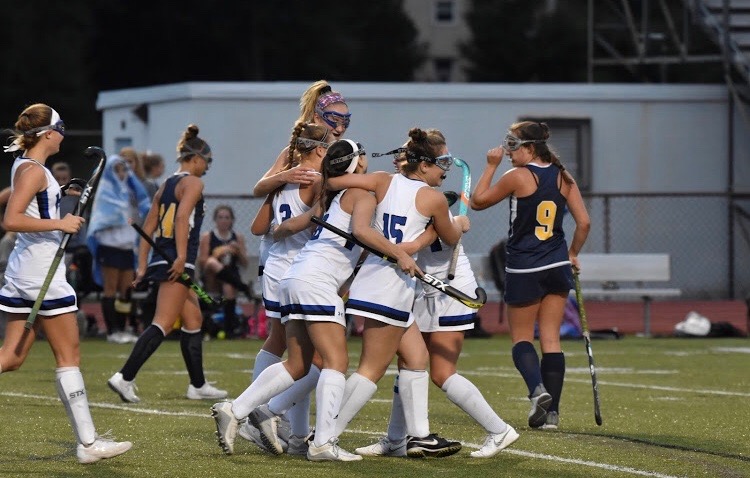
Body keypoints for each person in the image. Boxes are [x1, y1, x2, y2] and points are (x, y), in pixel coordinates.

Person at [212, 140, 417, 461]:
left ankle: (236, 409)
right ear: (354, 164)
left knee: (300, 363)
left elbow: (281, 229)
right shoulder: (360, 195)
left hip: (298, 277)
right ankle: (322, 443)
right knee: (335, 362)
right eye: (361, 156)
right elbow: (363, 232)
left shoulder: (328, 197)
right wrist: (399, 253)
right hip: (317, 281)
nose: (366, 160)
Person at [354, 146, 519, 459]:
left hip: (449, 292)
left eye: (402, 157)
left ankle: (499, 430)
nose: (395, 162)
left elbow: (430, 240)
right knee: (409, 364)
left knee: (441, 373)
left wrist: (451, 227)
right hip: (423, 294)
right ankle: (395, 439)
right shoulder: (406, 193)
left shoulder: (434, 202)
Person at [324, 127, 469, 457]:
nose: (443, 172)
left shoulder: (380, 180)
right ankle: (325, 435)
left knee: (417, 358)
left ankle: (419, 437)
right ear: (422, 166)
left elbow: (333, 183)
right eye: (439, 166)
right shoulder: (432, 199)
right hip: (387, 288)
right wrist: (457, 222)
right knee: (371, 370)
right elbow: (450, 237)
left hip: (383, 283)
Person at [0, 103, 131, 464]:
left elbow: (27, 206)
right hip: (41, 271)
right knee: (69, 356)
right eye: (61, 127)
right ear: (48, 134)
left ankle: (88, 443)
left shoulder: (29, 168)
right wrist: (60, 223)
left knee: (10, 358)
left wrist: (57, 193)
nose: (64, 134)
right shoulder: (32, 171)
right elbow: (11, 219)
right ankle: (88, 445)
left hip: (25, 270)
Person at [239, 81, 351, 454]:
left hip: (309, 258)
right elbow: (259, 188)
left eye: (347, 119)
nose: (343, 125)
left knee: (301, 352)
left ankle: (294, 430)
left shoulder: (331, 153)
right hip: (289, 259)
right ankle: (258, 414)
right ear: (321, 115)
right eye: (337, 117)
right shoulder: (297, 153)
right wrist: (285, 177)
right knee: (295, 349)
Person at [470, 121, 591, 429]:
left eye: (513, 146)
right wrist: (573, 253)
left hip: (524, 266)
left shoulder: (518, 176)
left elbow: (478, 201)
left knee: (521, 338)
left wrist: (490, 166)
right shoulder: (564, 176)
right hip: (555, 266)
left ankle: (538, 392)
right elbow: (584, 223)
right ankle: (552, 415)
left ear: (529, 148)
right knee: (551, 339)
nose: (508, 152)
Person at [107, 124, 228, 403]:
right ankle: (124, 377)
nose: (206, 168)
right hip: (176, 258)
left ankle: (197, 385)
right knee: (162, 323)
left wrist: (141, 267)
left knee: (194, 318)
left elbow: (147, 228)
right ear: (196, 158)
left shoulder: (165, 185)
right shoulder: (194, 183)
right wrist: (183, 257)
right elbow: (184, 218)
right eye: (206, 163)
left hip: (163, 257)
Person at [86, 155, 150, 344]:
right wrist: (120, 214)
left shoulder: (130, 190)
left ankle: (122, 329)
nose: (122, 173)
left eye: (124, 170)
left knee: (126, 290)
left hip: (127, 246)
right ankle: (112, 331)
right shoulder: (105, 191)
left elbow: (138, 212)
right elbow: (104, 216)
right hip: (110, 245)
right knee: (110, 290)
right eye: (118, 170)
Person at [198, 204, 250, 338]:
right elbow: (203, 262)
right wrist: (218, 253)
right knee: (211, 262)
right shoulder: (207, 236)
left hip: (230, 278)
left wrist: (237, 250)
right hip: (212, 278)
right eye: (220, 217)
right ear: (215, 220)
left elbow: (245, 263)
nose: (223, 220)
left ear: (232, 220)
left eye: (227, 217)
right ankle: (243, 287)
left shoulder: (237, 237)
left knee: (228, 286)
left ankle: (229, 329)